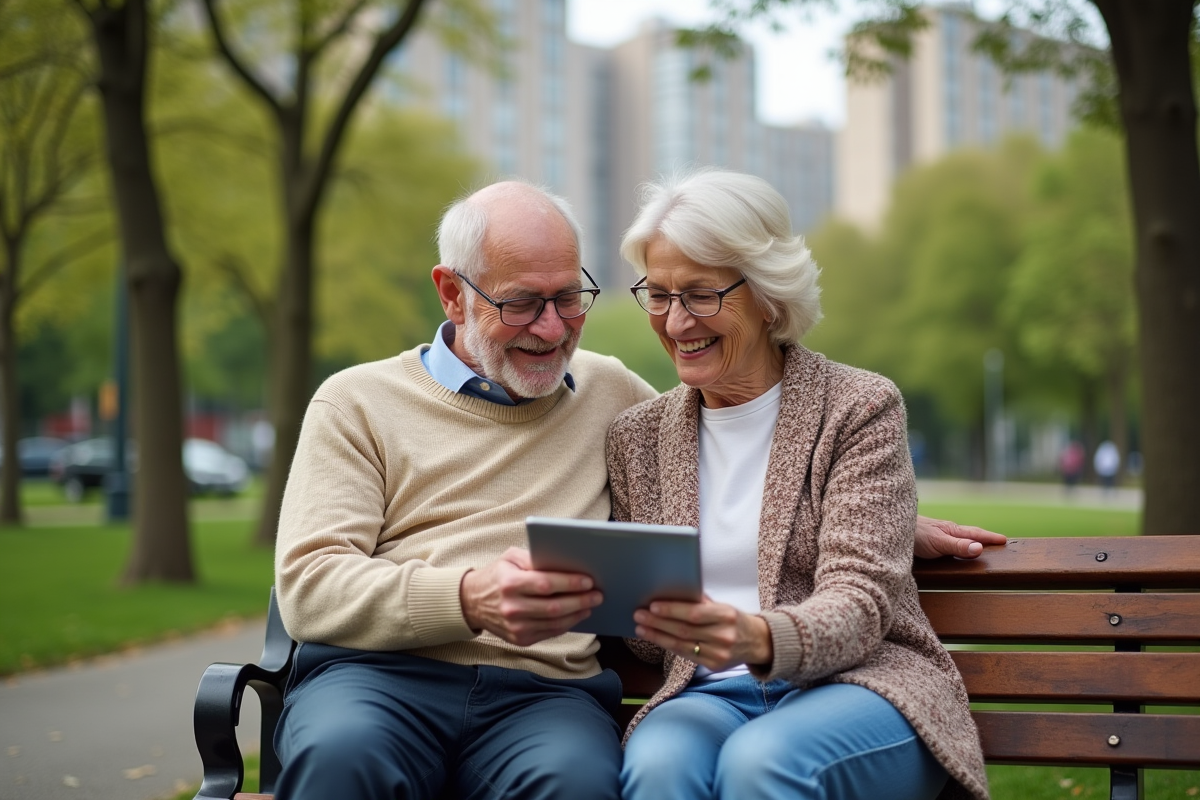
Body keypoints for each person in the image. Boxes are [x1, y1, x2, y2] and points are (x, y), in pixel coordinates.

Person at [271, 179, 1000, 800]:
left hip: (548, 697)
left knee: (612, 776)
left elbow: (772, 472)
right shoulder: (360, 401)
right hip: (380, 677)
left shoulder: (612, 395)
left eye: (568, 298)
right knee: (351, 754)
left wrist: (885, 514)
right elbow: (307, 585)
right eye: (523, 303)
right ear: (453, 294)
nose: (552, 330)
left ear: (769, 295)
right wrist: (466, 596)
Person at [607, 168, 989, 800]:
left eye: (700, 295)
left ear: (767, 296)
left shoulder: (858, 406)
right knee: (658, 765)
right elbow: (644, 648)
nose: (675, 323)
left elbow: (864, 602)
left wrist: (760, 636)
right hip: (708, 692)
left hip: (861, 683)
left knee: (763, 762)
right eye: (659, 293)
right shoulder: (637, 437)